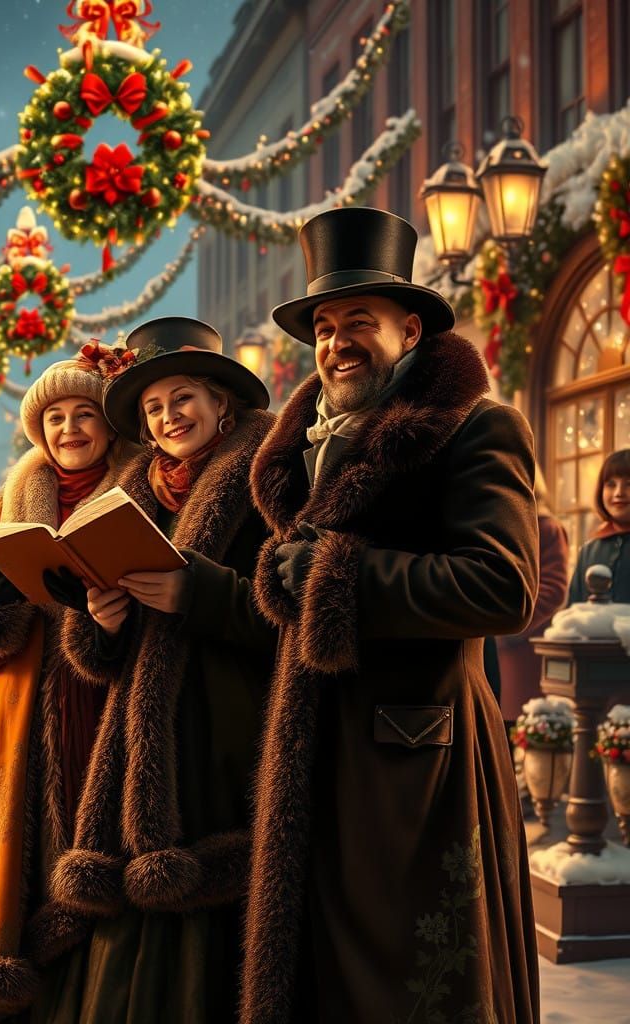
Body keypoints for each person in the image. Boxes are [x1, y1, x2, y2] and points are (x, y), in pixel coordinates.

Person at [241, 208, 540, 1023]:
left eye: (358, 323)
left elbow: (501, 586)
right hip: (315, 756)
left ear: (409, 330)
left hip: (419, 761)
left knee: (414, 987)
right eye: (325, 326)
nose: (337, 341)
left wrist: (343, 575)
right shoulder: (306, 442)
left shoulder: (477, 428)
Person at [34, 317, 277, 1022]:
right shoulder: (137, 489)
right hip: (139, 740)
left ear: (221, 403)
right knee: (131, 929)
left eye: (183, 398)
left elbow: (290, 613)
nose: (170, 417)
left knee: (216, 913)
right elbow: (101, 651)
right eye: (154, 408)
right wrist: (100, 623)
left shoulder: (266, 480)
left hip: (226, 730)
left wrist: (199, 594)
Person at [0, 348, 135, 1024]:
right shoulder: (15, 500)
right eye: (55, 419)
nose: (69, 429)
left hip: (112, 714)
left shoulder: (144, 493)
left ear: (109, 426)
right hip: (23, 730)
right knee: (22, 890)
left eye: (85, 415)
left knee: (102, 876)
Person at [498, 467, 570, 723]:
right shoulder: (501, 527)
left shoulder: (547, 528)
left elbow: (553, 590)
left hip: (524, 649)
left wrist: (507, 629)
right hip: (496, 650)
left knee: (523, 728)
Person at [567, 448, 630, 604]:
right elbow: (574, 609)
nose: (618, 492)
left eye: (629, 484)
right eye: (610, 484)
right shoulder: (589, 550)